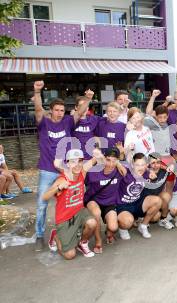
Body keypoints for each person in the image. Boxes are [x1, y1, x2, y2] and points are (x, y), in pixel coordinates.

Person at [33, 80, 90, 251]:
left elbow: (79, 112)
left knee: (71, 202)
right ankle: (39, 234)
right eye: (56, 110)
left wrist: (87, 98)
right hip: (47, 170)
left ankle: (71, 230)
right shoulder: (44, 122)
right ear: (51, 110)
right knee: (42, 205)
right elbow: (37, 109)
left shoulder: (67, 122)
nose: (59, 113)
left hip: (65, 172)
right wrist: (37, 92)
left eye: (61, 110)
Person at [43, 149, 98, 259]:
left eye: (80, 161)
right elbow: (45, 197)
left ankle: (82, 243)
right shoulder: (62, 179)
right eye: (73, 161)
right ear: (67, 163)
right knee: (70, 255)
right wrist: (58, 187)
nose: (77, 165)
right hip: (64, 218)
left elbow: (95, 159)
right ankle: (56, 236)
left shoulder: (82, 172)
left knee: (92, 222)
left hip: (79, 212)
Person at [84, 147, 126, 253]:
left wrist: (118, 164)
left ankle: (108, 232)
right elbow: (82, 171)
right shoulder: (95, 171)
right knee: (97, 213)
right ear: (104, 158)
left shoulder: (119, 171)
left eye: (114, 161)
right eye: (108, 160)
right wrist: (96, 158)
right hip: (94, 200)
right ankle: (98, 241)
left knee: (113, 227)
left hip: (109, 203)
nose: (110, 164)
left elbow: (126, 171)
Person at [116, 153, 162, 240]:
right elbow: (116, 162)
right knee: (127, 222)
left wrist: (151, 172)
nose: (140, 167)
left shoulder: (146, 172)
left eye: (143, 165)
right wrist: (121, 156)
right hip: (123, 205)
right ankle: (122, 228)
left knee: (158, 202)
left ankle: (143, 225)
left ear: (146, 165)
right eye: (137, 165)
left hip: (137, 203)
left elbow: (156, 169)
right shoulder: (125, 171)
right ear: (132, 164)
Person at [143, 152, 174, 230]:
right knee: (155, 217)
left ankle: (163, 219)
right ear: (148, 163)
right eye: (153, 163)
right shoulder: (144, 172)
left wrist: (166, 168)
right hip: (145, 200)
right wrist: (148, 170)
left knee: (166, 196)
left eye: (158, 162)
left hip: (157, 196)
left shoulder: (165, 171)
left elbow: (172, 168)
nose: (156, 165)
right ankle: (142, 218)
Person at [72, 91, 101, 160]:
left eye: (85, 106)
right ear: (76, 107)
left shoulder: (93, 119)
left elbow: (110, 118)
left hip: (90, 158)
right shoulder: (71, 120)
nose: (84, 108)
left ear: (88, 108)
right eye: (81, 106)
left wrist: (98, 149)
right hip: (75, 158)